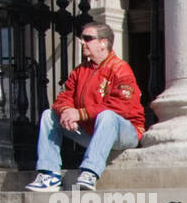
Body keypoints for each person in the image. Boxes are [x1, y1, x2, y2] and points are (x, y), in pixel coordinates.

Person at [24, 22, 144, 192]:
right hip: (93, 132)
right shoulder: (80, 71)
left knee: (107, 116)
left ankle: (90, 172)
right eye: (82, 38)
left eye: (88, 38)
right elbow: (63, 97)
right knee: (49, 115)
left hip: (125, 132)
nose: (82, 42)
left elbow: (121, 107)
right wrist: (66, 112)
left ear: (103, 43)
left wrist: (80, 114)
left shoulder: (120, 69)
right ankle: (49, 174)